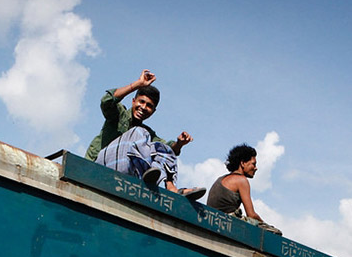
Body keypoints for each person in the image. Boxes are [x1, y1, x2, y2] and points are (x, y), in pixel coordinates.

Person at [86, 69, 204, 199]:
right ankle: (147, 171)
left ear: (153, 111)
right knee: (139, 132)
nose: (143, 107)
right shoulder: (120, 115)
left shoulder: (147, 133)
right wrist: (137, 84)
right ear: (133, 101)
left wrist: (180, 143)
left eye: (149, 106)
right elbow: (107, 101)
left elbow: (168, 149)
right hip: (98, 166)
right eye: (141, 102)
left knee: (160, 148)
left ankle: (171, 188)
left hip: (126, 172)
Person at [207, 144, 281, 233]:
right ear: (242, 163)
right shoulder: (241, 180)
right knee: (275, 232)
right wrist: (268, 227)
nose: (256, 168)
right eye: (253, 164)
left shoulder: (221, 179)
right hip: (225, 225)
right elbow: (251, 215)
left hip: (211, 222)